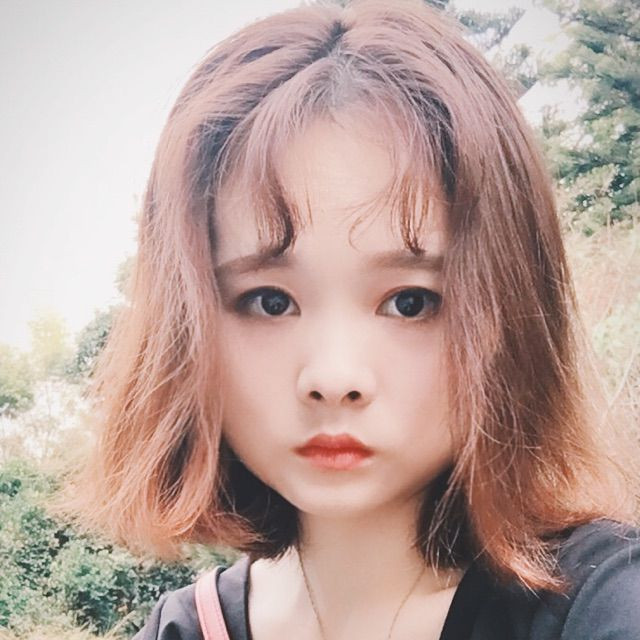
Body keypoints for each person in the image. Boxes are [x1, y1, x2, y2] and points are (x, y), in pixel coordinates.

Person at [65, 1, 640, 638]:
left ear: (509, 312)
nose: (333, 378)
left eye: (410, 301)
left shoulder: (600, 604)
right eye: (270, 301)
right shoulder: (185, 628)